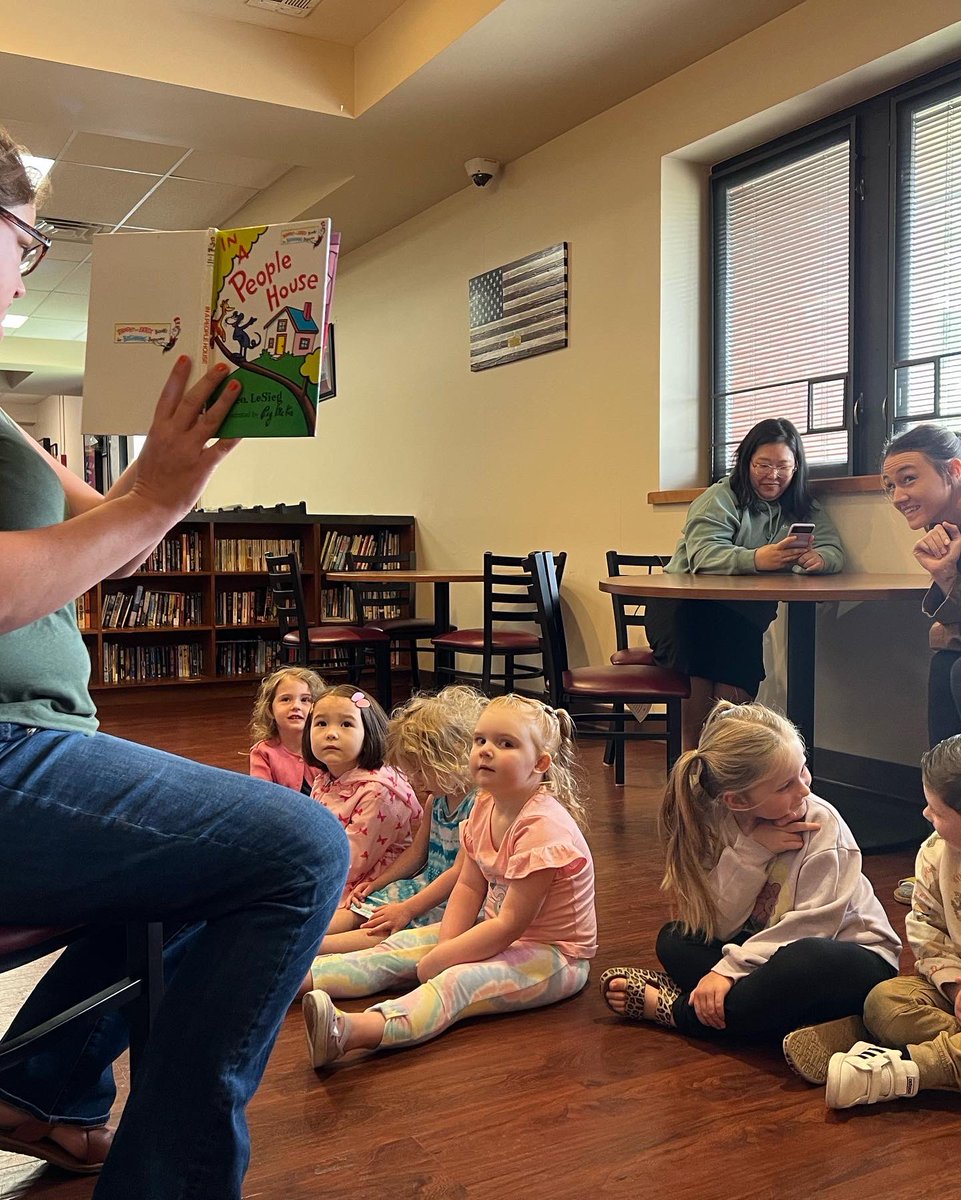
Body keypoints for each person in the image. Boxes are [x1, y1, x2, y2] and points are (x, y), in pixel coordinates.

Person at [0, 128, 349, 1199]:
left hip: (36, 751)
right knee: (296, 849)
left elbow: (105, 526)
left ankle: (46, 1087)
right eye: (23, 236)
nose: (25, 263)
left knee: (221, 855)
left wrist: (174, 470)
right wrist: (152, 497)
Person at [301, 694, 596, 1067]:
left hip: (552, 955)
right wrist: (445, 944)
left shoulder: (544, 828)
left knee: (456, 984)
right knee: (396, 948)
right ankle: (292, 978)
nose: (486, 751)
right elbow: (470, 885)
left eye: (505, 744)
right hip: (491, 926)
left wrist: (445, 958)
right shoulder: (486, 803)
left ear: (540, 764)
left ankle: (352, 1032)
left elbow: (511, 924)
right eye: (480, 740)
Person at [599, 701, 899, 1045]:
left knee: (805, 958)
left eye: (803, 771)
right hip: (767, 953)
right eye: (785, 785)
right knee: (674, 939)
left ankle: (680, 1011)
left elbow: (813, 928)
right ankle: (792, 1022)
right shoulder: (722, 822)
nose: (804, 789)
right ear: (737, 801)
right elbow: (721, 924)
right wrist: (753, 851)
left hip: (850, 959)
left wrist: (727, 971)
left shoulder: (822, 824)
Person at [783, 734, 961, 1108]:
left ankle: (908, 1069)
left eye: (937, 811)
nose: (926, 816)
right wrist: (956, 989)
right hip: (955, 992)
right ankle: (945, 1055)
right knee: (885, 1002)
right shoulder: (934, 853)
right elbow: (926, 927)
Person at [644, 417, 844, 749]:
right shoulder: (720, 497)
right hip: (685, 608)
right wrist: (756, 559)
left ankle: (726, 764)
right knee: (701, 671)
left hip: (742, 614)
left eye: (784, 466)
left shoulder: (802, 505)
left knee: (736, 676)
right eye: (763, 465)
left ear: (796, 468)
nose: (773, 475)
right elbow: (703, 555)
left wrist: (820, 560)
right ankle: (691, 766)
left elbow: (833, 547)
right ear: (746, 462)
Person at [316, 684, 487, 954]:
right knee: (363, 906)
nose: (416, 783)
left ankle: (308, 952)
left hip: (452, 899)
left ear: (450, 760)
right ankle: (297, 936)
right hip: (422, 886)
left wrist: (407, 909)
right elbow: (417, 854)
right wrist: (378, 883)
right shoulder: (436, 800)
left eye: (420, 771)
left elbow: (460, 875)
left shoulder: (479, 805)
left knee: (385, 929)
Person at [881, 423, 961, 746]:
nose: (899, 497)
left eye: (909, 479)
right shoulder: (942, 526)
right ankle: (942, 792)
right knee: (946, 665)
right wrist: (946, 577)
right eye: (890, 486)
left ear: (954, 470)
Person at [305, 683, 422, 904]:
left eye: (346, 724)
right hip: (329, 866)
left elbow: (353, 863)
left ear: (369, 731)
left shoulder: (378, 791)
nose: (331, 733)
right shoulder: (325, 777)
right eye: (320, 723)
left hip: (369, 882)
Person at [248, 666, 326, 791]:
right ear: (270, 710)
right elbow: (261, 797)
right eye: (286, 699)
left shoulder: (326, 746)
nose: (296, 706)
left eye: (305, 700)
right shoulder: (263, 752)